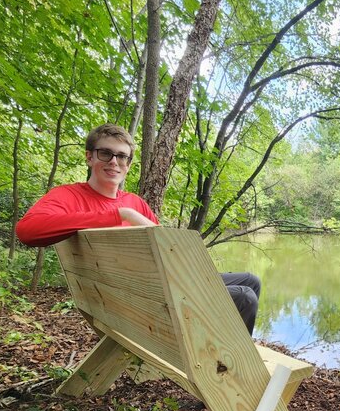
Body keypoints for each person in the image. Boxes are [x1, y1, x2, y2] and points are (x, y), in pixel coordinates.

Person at [16, 123, 261, 335]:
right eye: (105, 153)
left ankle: (219, 345)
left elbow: (169, 248)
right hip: (139, 302)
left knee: (251, 280)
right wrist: (119, 214)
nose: (114, 162)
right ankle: (230, 359)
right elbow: (27, 231)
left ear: (128, 164)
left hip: (159, 282)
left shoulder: (135, 202)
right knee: (243, 296)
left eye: (122, 156)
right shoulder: (68, 196)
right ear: (89, 157)